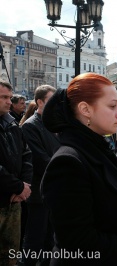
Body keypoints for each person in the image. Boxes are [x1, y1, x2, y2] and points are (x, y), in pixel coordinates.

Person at [41, 73, 117, 265]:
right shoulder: (68, 163)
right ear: (85, 109)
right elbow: (79, 244)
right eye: (112, 106)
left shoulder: (98, 148)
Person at [20, 85, 60, 266]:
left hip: (53, 189)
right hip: (38, 191)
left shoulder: (53, 123)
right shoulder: (30, 126)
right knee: (35, 238)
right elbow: (40, 158)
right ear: (40, 102)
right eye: (51, 101)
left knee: (50, 239)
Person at [0, 81, 32, 266]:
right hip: (6, 195)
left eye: (9, 98)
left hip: (15, 201)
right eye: (4, 97)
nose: (8, 102)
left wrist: (24, 186)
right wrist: (18, 186)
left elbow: (26, 155)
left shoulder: (12, 125)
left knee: (11, 254)